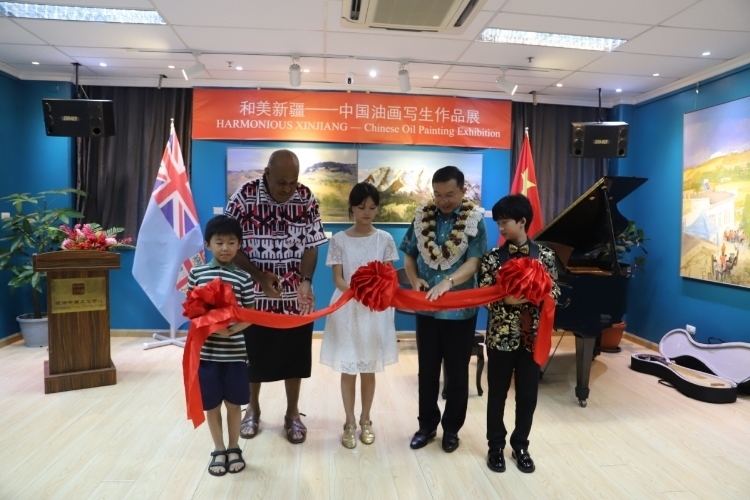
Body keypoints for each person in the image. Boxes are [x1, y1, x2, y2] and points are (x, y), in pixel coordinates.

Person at [225, 149, 328, 444]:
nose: (287, 189)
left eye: (293, 182)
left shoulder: (305, 198)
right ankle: (252, 410)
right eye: (281, 182)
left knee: (295, 357)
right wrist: (259, 277)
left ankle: (292, 414)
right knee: (252, 357)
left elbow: (311, 244)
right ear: (267, 173)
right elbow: (230, 245)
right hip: (252, 296)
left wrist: (306, 281)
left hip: (295, 297)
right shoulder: (244, 197)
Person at [399, 165, 487, 453]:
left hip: (459, 310)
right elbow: (409, 255)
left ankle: (451, 430)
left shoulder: (474, 220)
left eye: (449, 194)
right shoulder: (422, 216)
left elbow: (474, 262)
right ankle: (426, 426)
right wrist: (414, 280)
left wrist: (449, 282)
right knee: (426, 370)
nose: (443, 201)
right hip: (426, 309)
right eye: (437, 194)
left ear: (463, 190)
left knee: (457, 372)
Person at [478, 194, 560, 474]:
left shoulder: (545, 256)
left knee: (527, 396)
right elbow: (483, 294)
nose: (501, 228)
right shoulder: (493, 258)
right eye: (498, 223)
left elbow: (555, 290)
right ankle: (495, 446)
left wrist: (538, 294)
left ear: (522, 221)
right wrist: (503, 300)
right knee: (497, 395)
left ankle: (521, 445)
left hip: (532, 339)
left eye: (505, 222)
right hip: (500, 337)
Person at [320, 182, 399, 449]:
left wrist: (373, 295)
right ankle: (349, 420)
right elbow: (338, 278)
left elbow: (388, 277)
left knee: (368, 367)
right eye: (361, 207)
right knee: (348, 367)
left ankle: (366, 418)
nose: (367, 212)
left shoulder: (385, 239)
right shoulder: (339, 240)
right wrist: (358, 293)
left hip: (375, 310)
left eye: (372, 208)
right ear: (351, 208)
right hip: (347, 306)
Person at [187, 215, 255, 476]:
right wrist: (212, 327)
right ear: (207, 244)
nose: (225, 248)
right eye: (219, 242)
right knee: (212, 404)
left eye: (231, 242)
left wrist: (232, 330)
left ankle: (234, 446)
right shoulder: (197, 273)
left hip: (235, 352)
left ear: (239, 245)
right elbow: (191, 311)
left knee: (234, 404)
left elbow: (250, 314)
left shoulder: (244, 277)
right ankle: (218, 448)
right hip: (207, 353)